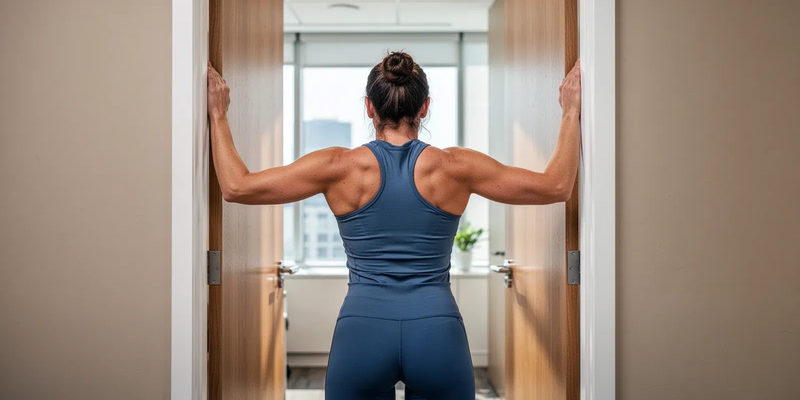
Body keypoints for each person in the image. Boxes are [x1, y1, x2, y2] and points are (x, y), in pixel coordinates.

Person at [207, 52, 581, 400]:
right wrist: (570, 112)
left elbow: (237, 186)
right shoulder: (456, 166)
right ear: (425, 107)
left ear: (370, 107)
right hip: (437, 330)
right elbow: (557, 186)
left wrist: (218, 116)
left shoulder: (338, 166)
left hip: (362, 331)